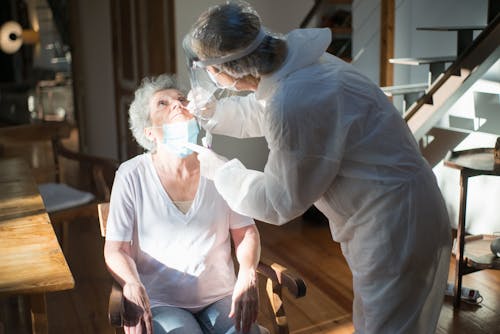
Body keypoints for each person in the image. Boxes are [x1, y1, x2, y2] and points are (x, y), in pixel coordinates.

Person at [183, 1, 452, 333]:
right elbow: (266, 110)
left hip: (395, 223)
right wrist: (215, 113)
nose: (210, 78)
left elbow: (279, 201)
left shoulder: (297, 96)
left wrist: (221, 171)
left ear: (229, 68)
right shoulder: (294, 67)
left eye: (209, 70)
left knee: (388, 326)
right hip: (392, 212)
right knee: (375, 321)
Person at [103, 74, 263, 334]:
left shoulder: (220, 167)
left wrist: (247, 271)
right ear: (149, 133)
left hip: (220, 297)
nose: (177, 104)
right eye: (162, 104)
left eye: (181, 100)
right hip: (163, 303)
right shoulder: (130, 175)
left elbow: (246, 231)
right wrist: (130, 283)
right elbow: (116, 249)